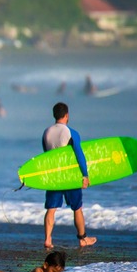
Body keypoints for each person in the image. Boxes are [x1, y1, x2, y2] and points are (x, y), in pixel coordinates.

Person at [42, 102, 97, 248]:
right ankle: (82, 238)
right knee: (77, 208)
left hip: (54, 176)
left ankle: (48, 239)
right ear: (67, 115)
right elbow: (79, 154)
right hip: (69, 176)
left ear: (54, 115)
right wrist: (85, 175)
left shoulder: (46, 132)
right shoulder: (71, 132)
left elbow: (45, 157)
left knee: (51, 209)